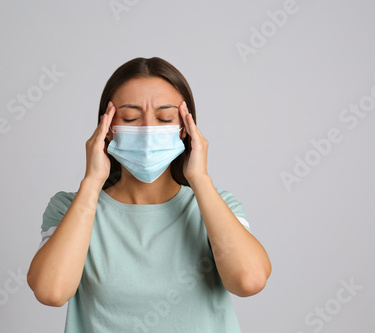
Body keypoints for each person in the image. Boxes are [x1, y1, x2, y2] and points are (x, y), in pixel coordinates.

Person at [27, 57, 271, 332]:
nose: (147, 129)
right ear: (106, 129)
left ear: (185, 128)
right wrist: (92, 181)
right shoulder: (69, 208)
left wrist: (200, 179)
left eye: (165, 118)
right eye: (130, 118)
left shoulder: (219, 206)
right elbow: (51, 292)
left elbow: (249, 281)